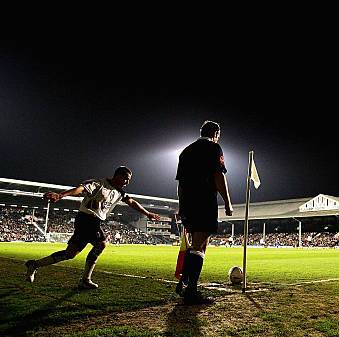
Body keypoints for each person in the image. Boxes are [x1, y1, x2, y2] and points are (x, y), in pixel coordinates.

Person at [25, 166, 161, 289]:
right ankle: (85, 280)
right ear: (117, 175)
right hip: (86, 219)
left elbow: (132, 202)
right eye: (126, 178)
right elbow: (80, 189)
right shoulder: (99, 184)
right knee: (101, 244)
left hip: (92, 222)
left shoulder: (120, 193)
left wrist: (147, 213)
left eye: (129, 180)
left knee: (70, 254)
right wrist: (61, 195)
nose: (127, 182)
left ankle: (34, 265)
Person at [175, 120, 233, 305]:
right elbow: (218, 175)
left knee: (198, 243)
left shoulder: (186, 151)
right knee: (199, 245)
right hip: (203, 200)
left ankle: (185, 282)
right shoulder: (214, 148)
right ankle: (190, 290)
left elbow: (180, 182)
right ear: (216, 133)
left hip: (187, 203)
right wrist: (227, 202)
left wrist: (181, 205)